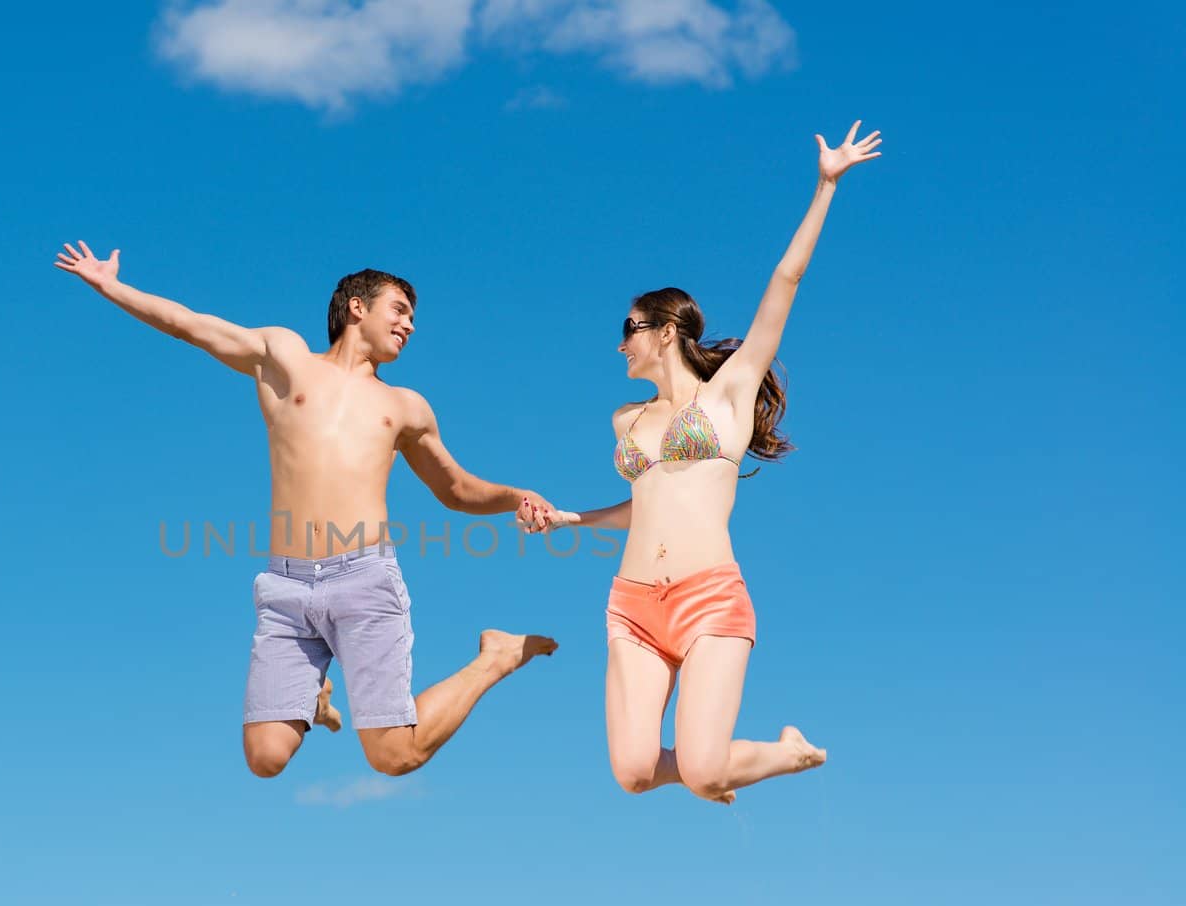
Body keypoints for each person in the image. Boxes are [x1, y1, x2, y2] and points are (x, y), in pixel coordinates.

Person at [54, 248, 559, 778]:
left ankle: (495, 656)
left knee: (395, 756)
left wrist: (515, 495)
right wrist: (111, 286)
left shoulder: (406, 406)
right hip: (287, 589)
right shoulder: (285, 357)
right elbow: (190, 326)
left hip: (364, 580)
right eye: (400, 309)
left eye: (413, 318)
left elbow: (456, 489)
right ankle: (315, 698)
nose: (409, 324)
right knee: (266, 757)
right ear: (357, 307)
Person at [518, 121, 882, 804]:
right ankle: (719, 764)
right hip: (631, 606)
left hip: (709, 595)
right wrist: (568, 519)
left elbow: (786, 278)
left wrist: (827, 184)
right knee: (631, 773)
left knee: (705, 771)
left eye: (628, 329)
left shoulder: (732, 390)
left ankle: (787, 753)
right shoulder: (625, 420)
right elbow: (646, 504)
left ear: (665, 330)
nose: (620, 344)